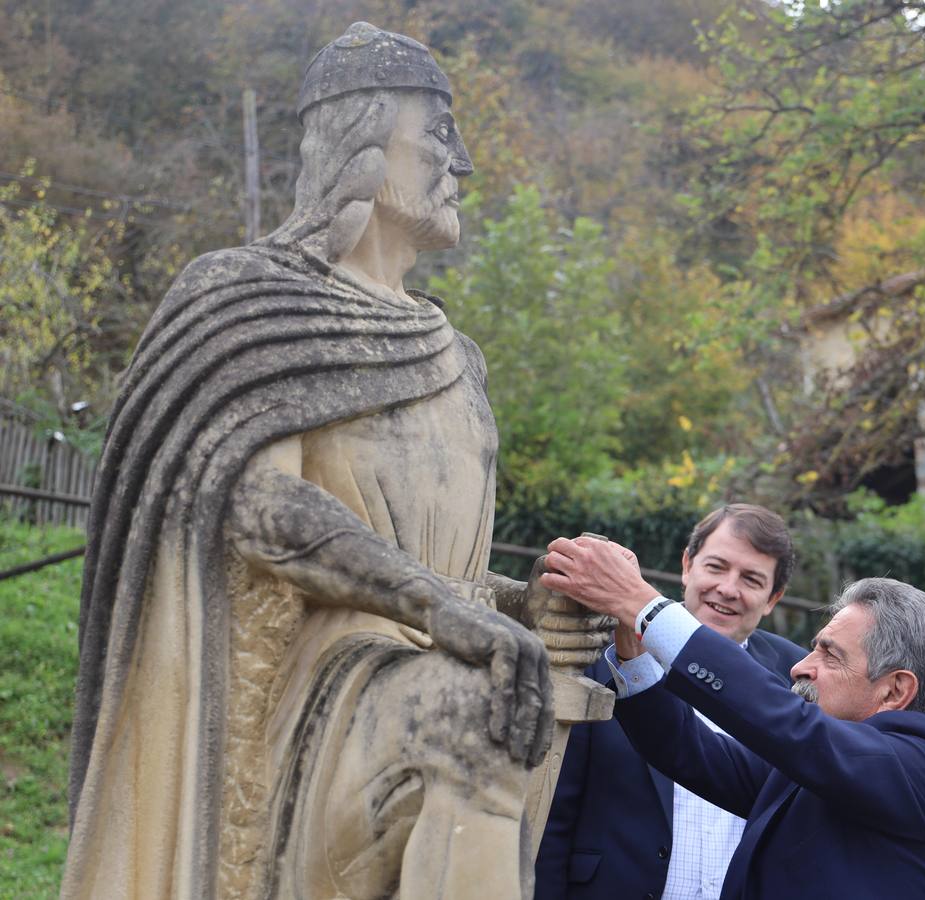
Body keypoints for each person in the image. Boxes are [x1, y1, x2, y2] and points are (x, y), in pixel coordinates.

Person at [63, 23, 604, 900]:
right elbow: (251, 504)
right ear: (360, 139)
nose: (462, 161)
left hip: (416, 675)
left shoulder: (457, 355)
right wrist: (435, 608)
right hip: (298, 698)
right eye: (438, 132)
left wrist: (517, 604)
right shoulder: (244, 295)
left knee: (504, 701)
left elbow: (452, 575)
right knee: (469, 713)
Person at [541, 537, 925, 899]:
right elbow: (690, 751)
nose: (799, 667)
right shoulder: (829, 769)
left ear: (895, 690)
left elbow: (786, 721)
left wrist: (642, 603)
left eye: (829, 655)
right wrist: (635, 648)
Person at [535, 505, 806, 899]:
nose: (728, 589)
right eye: (716, 567)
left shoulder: (798, 676)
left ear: (772, 598)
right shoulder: (605, 654)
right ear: (687, 565)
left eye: (751, 578)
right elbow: (554, 811)